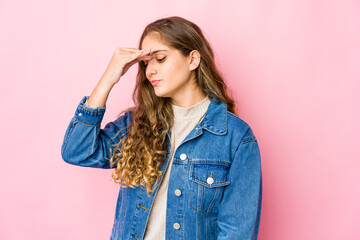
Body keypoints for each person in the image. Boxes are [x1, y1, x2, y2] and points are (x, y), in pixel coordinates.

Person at [61, 16, 262, 240]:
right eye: (146, 63)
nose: (149, 72)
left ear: (192, 59)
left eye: (160, 58)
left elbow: (237, 233)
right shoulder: (136, 125)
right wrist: (109, 78)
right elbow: (77, 151)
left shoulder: (236, 138)